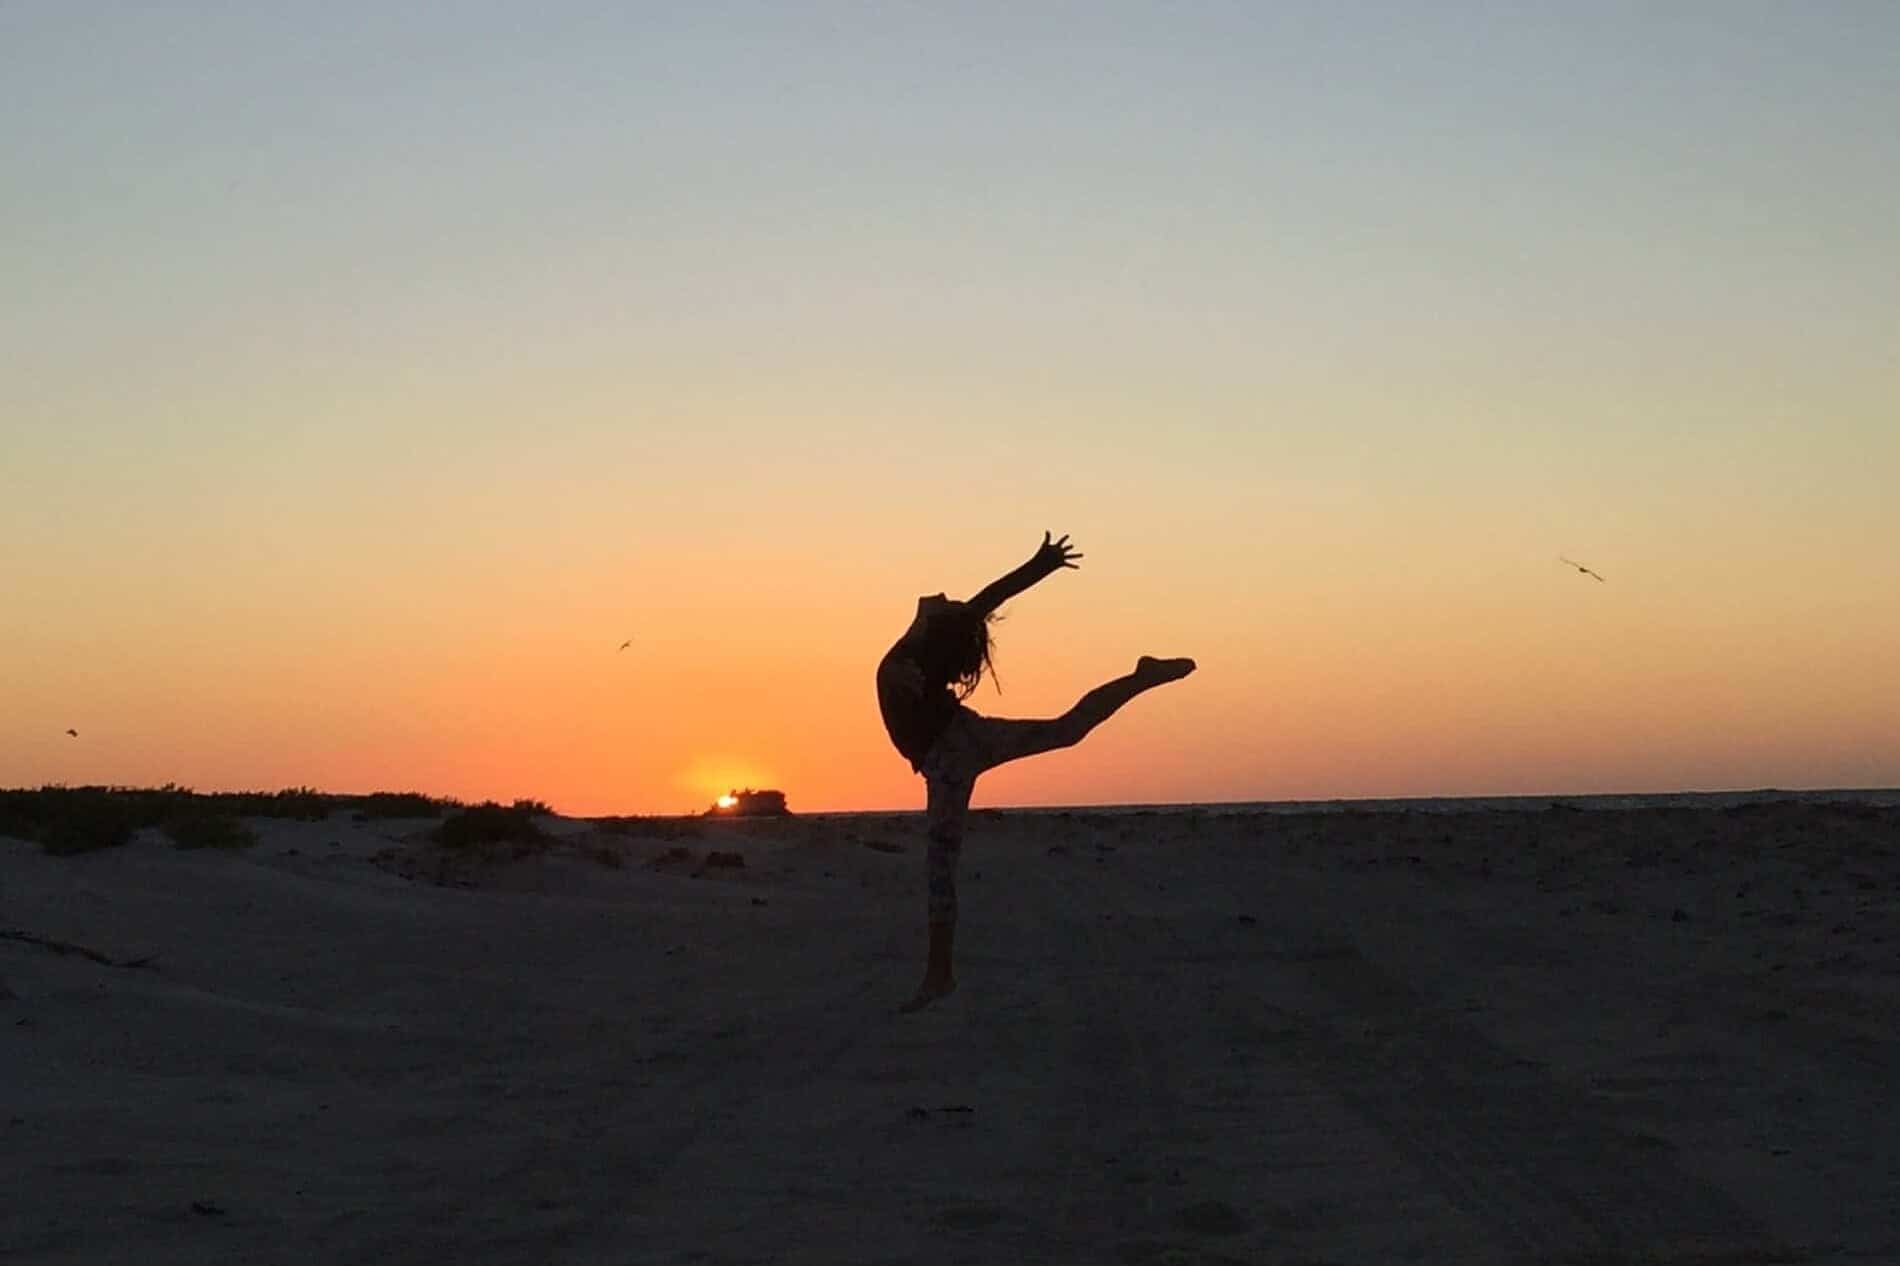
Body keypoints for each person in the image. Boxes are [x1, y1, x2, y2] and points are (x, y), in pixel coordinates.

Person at [876, 531, 1195, 1012]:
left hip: (952, 754)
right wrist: (1040, 563)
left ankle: (939, 975)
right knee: (1066, 731)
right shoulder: (917, 647)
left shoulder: (918, 650)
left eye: (937, 605)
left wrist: (1040, 564)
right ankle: (1141, 677)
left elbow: (991, 596)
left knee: (941, 866)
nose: (935, 600)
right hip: (959, 745)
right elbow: (993, 595)